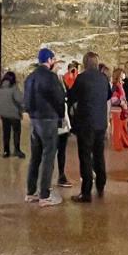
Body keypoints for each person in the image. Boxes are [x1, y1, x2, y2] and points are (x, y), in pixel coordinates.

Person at [23, 48, 66, 207]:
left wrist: (32, 114)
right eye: (53, 58)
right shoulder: (50, 77)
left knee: (35, 156)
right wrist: (61, 116)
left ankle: (31, 192)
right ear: (49, 60)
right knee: (48, 156)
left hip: (34, 119)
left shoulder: (30, 77)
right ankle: (44, 195)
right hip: (48, 119)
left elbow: (25, 101)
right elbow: (59, 98)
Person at [69, 52, 112, 202]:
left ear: (85, 63)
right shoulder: (103, 78)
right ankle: (101, 185)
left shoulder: (81, 78)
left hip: (86, 124)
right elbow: (108, 95)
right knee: (99, 155)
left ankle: (86, 192)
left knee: (85, 156)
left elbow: (72, 96)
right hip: (100, 123)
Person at [54, 60, 75, 189]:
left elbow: (68, 97)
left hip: (62, 119)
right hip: (54, 119)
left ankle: (61, 175)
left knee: (61, 149)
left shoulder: (62, 83)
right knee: (51, 150)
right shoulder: (52, 83)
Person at [0, 71, 25, 158]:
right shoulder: (13, 87)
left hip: (4, 114)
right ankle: (17, 150)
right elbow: (19, 99)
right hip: (14, 114)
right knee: (16, 132)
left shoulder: (0, 87)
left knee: (6, 133)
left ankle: (6, 151)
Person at [109, 69, 128, 151]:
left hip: (122, 109)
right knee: (117, 128)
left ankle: (124, 143)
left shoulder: (120, 85)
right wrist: (121, 102)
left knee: (123, 127)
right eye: (122, 74)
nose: (124, 75)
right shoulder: (115, 86)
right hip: (117, 110)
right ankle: (118, 145)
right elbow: (113, 99)